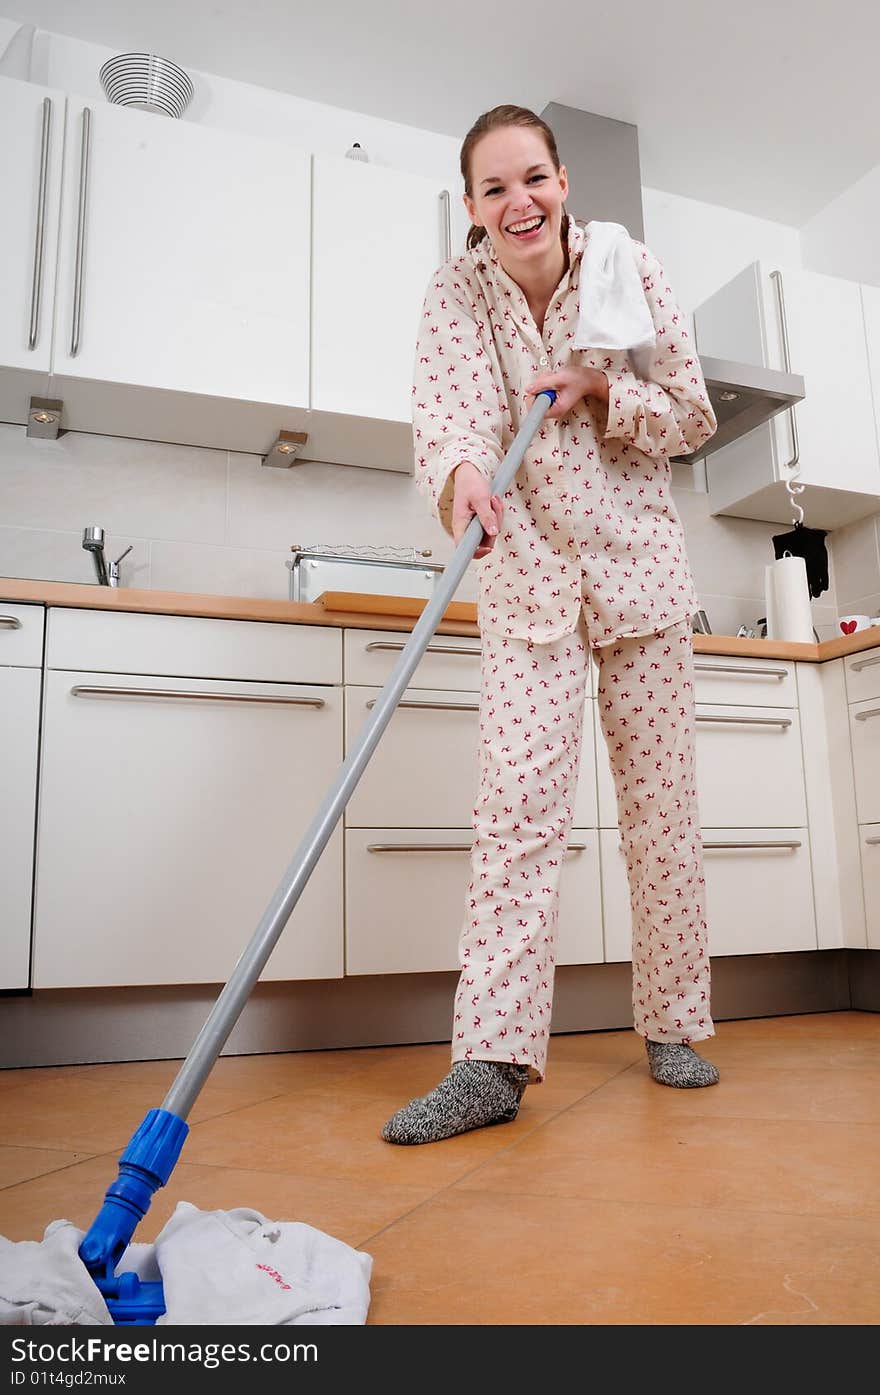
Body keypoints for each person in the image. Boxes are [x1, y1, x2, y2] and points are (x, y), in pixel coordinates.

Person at [382, 105, 720, 1147]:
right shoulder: (457, 294)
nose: (517, 201)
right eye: (493, 189)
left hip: (640, 578)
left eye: (532, 178)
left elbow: (693, 415)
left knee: (660, 810)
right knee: (516, 817)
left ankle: (673, 1024)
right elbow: (446, 421)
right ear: (473, 209)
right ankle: (490, 1060)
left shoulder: (628, 271)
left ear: (563, 182)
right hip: (528, 580)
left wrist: (599, 391)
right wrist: (462, 481)